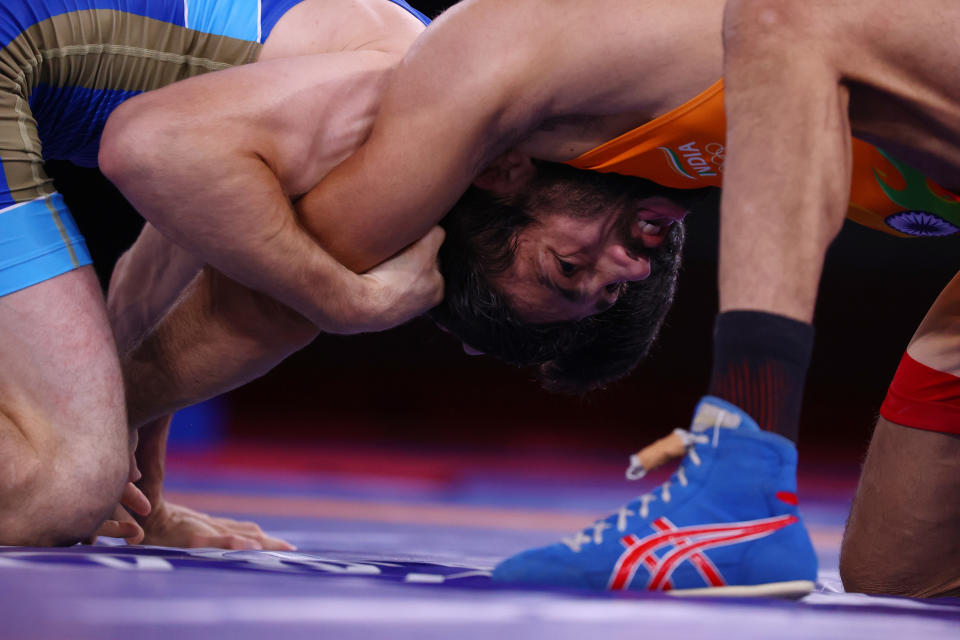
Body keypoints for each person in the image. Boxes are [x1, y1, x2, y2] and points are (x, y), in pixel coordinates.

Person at [119, 0, 959, 596]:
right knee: (897, 578)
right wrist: (131, 482)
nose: (625, 274)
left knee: (782, 17)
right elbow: (192, 268)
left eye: (566, 270)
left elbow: (266, 298)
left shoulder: (491, 61)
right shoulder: (719, 139)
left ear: (497, 177)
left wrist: (80, 449)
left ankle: (741, 478)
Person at [0, 0, 446, 548]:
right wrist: (351, 302)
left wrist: (147, 507)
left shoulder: (347, 80)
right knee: (62, 483)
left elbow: (146, 290)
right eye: (561, 273)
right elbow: (147, 146)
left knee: (75, 468)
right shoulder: (407, 102)